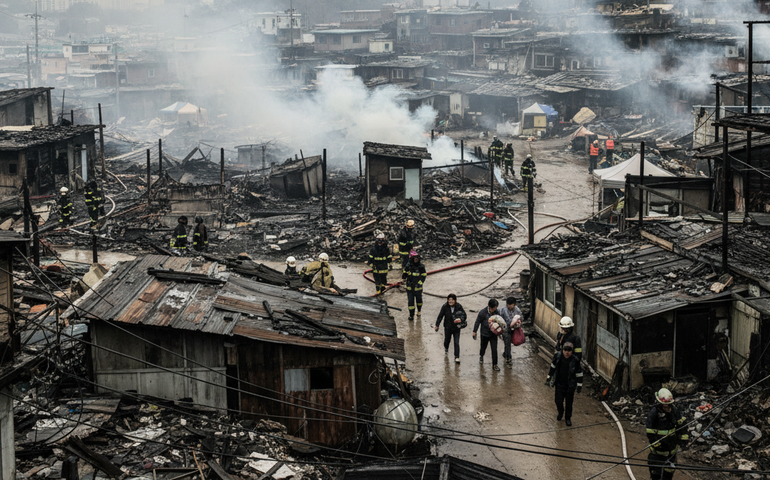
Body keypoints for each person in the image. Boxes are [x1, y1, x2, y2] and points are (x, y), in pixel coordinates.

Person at [646, 388, 688, 480]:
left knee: (668, 476)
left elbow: (681, 428)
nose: (667, 407)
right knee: (656, 476)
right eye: (665, 405)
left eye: (668, 404)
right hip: (657, 454)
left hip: (671, 453)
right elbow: (650, 433)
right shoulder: (654, 414)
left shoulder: (675, 411)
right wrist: (658, 445)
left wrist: (683, 441)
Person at [545, 341, 583, 426]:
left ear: (572, 351)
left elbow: (579, 373)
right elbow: (553, 367)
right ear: (563, 350)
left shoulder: (575, 360)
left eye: (569, 351)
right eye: (565, 350)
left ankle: (568, 418)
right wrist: (549, 377)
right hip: (559, 384)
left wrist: (579, 385)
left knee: (569, 403)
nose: (567, 352)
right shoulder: (558, 356)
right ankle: (560, 412)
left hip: (570, 385)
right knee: (558, 401)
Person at [434, 293, 466, 363]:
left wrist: (461, 319)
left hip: (456, 328)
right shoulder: (445, 306)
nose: (450, 301)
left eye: (452, 300)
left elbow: (464, 315)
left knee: (456, 342)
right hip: (448, 327)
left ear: (455, 300)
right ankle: (446, 348)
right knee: (447, 341)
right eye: (449, 300)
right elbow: (440, 316)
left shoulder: (459, 306)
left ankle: (457, 357)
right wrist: (437, 325)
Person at [472, 299, 501, 371]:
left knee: (494, 349)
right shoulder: (483, 312)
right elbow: (477, 321)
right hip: (484, 334)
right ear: (490, 307)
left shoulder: (497, 312)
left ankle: (495, 364)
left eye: (496, 308)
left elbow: (500, 321)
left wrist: (500, 331)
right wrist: (474, 331)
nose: (495, 309)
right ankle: (481, 356)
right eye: (494, 308)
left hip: (493, 334)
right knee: (483, 347)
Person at [499, 297, 523, 367]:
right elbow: (500, 319)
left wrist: (518, 323)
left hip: (514, 329)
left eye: (511, 305)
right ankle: (509, 359)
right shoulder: (503, 310)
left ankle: (506, 353)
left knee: (512, 342)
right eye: (508, 305)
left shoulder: (517, 310)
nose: (509, 306)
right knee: (507, 343)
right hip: (506, 330)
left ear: (514, 304)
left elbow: (521, 318)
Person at [404, 250, 426, 320]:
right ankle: (411, 315)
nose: (416, 259)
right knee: (410, 302)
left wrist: (420, 283)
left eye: (417, 258)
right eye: (414, 258)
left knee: (419, 301)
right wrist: (405, 276)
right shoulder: (408, 266)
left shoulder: (421, 267)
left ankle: (419, 311)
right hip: (410, 288)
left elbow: (424, 276)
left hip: (418, 288)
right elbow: (404, 275)